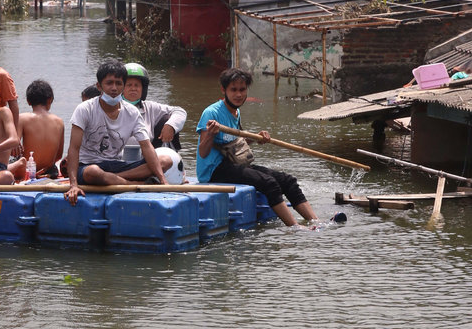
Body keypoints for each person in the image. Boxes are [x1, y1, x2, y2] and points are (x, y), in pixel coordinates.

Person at [197, 67, 318, 226]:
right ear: (223, 90)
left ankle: (316, 222)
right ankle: (295, 227)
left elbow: (234, 144)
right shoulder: (211, 113)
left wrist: (257, 138)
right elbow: (203, 152)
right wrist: (211, 134)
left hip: (232, 164)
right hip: (214, 171)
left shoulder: (236, 113)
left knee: (288, 180)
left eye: (242, 89)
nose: (238, 94)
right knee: (268, 183)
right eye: (233, 90)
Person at [65, 58, 171, 204]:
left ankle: (115, 179)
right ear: (99, 86)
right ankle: (134, 185)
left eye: (119, 83)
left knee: (165, 161)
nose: (114, 88)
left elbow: (146, 146)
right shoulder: (85, 109)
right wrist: (73, 185)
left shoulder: (132, 112)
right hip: (88, 166)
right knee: (94, 172)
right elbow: (73, 149)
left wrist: (163, 181)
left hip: (115, 165)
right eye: (109, 83)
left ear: (123, 86)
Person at [8, 79, 65, 181]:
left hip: (26, 169)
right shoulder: (59, 122)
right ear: (50, 100)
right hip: (49, 172)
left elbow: (13, 150)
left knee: (10, 162)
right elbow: (59, 155)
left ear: (28, 101)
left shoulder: (22, 118)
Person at [122, 61, 186, 149]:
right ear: (121, 88)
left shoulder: (150, 108)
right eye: (129, 85)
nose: (133, 89)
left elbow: (179, 111)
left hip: (146, 156)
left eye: (137, 85)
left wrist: (171, 125)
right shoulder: (112, 107)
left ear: (143, 89)